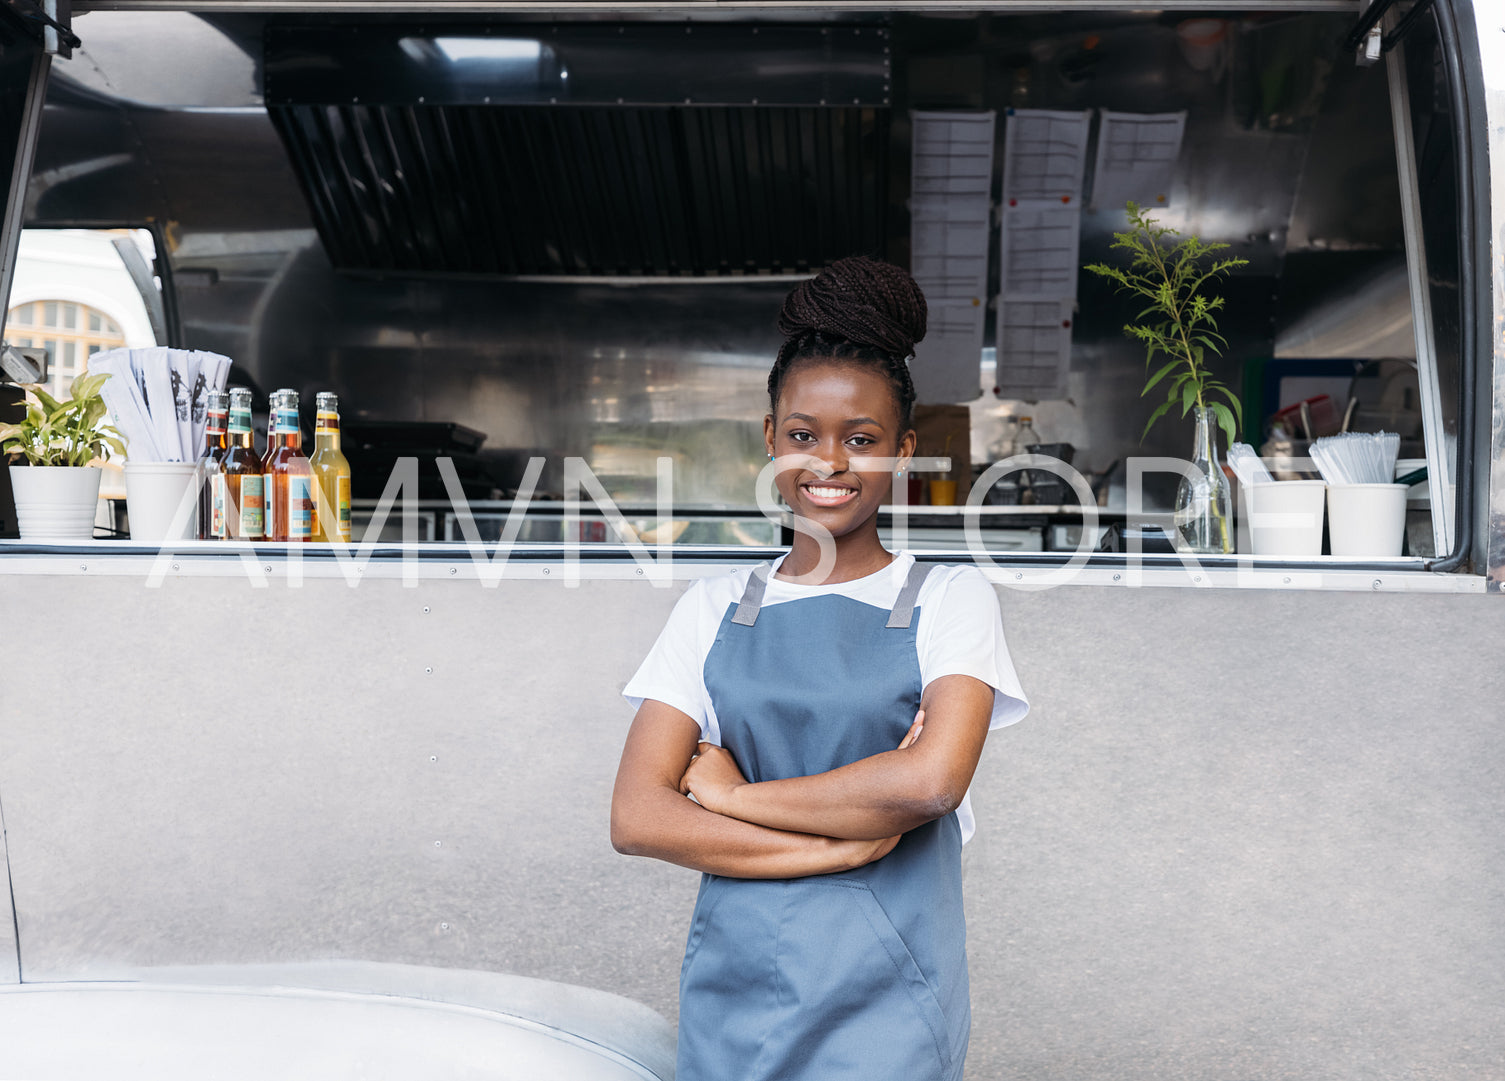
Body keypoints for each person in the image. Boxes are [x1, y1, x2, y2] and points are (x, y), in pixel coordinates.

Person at [611, 255, 1029, 1081]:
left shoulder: (947, 598)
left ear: (903, 449)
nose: (829, 462)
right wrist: (838, 845)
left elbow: (929, 784)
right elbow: (637, 817)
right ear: (770, 439)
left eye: (861, 439)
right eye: (803, 435)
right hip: (736, 990)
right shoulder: (715, 606)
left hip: (889, 997)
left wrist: (731, 797)